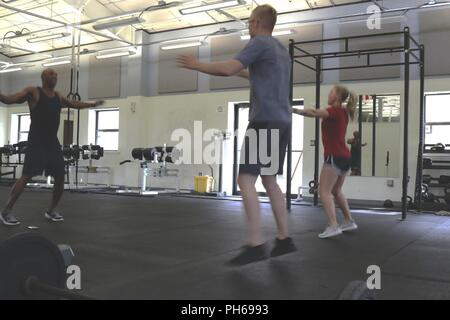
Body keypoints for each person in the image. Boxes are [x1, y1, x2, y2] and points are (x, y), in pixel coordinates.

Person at [177, 4, 296, 265]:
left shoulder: (259, 43)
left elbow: (228, 69)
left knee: (245, 179)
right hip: (282, 120)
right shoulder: (280, 50)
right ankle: (284, 238)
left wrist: (197, 65)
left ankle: (255, 242)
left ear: (256, 23)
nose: (248, 26)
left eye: (249, 22)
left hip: (264, 119)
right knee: (269, 179)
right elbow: (253, 74)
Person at [0, 68, 104, 226]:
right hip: (36, 141)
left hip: (52, 142)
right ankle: (6, 211)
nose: (54, 76)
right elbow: (10, 99)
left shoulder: (58, 96)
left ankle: (51, 210)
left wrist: (92, 104)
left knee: (61, 176)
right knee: (26, 176)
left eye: (56, 74)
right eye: (51, 74)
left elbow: (74, 103)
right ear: (43, 77)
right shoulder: (33, 91)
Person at [293, 85, 358, 239]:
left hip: (334, 156)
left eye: (331, 92)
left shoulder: (335, 111)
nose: (329, 95)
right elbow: (317, 112)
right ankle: (349, 221)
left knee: (324, 192)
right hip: (345, 157)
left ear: (337, 96)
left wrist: (293, 110)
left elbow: (315, 112)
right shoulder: (343, 112)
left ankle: (334, 225)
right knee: (336, 191)